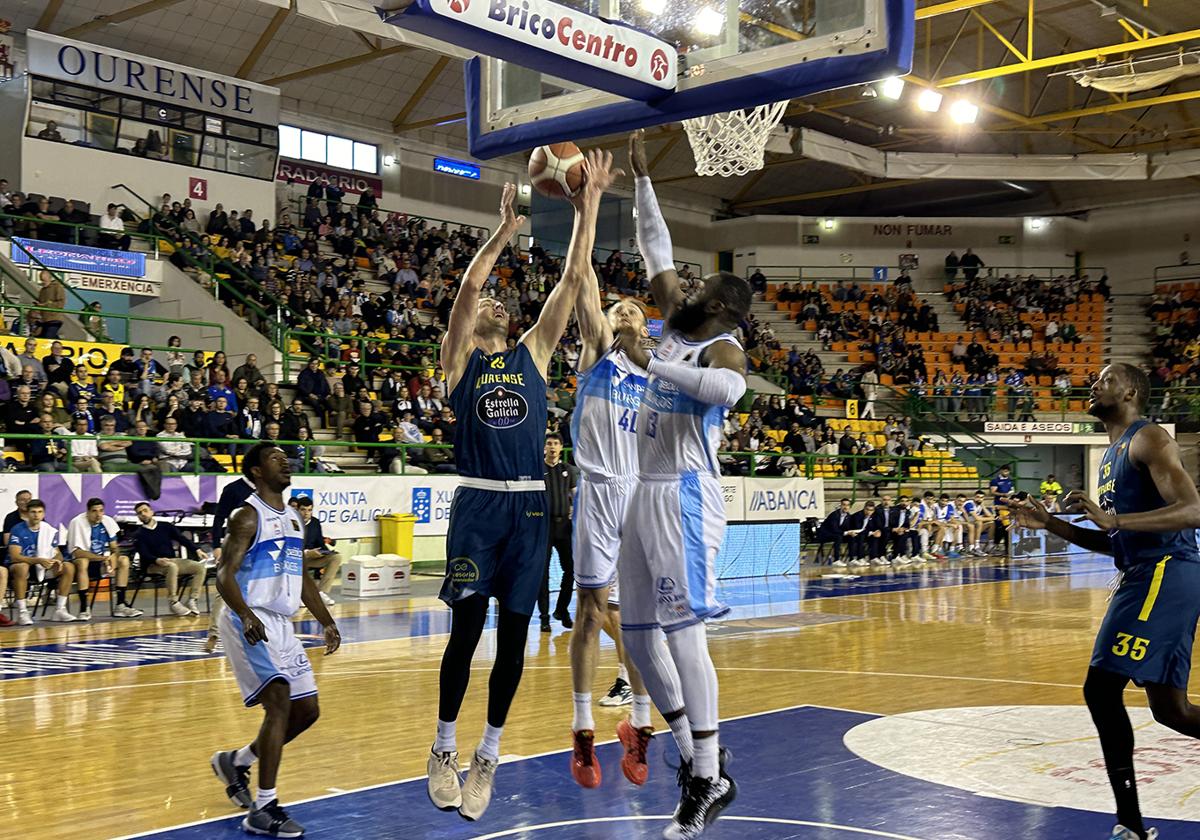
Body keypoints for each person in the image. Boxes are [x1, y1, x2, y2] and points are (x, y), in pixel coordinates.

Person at [426, 166, 612, 820]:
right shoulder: (459, 362)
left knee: (512, 638)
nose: (496, 301)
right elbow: (470, 285)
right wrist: (504, 228)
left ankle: (488, 755)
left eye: (502, 302)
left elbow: (570, 281)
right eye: (488, 304)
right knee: (466, 628)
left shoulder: (533, 353)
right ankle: (443, 745)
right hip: (478, 505)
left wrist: (586, 207)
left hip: (529, 508)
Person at [608, 130, 746, 839]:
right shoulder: (673, 313)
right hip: (643, 489)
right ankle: (694, 753)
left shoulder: (720, 345)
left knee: (685, 632)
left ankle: (709, 771)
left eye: (706, 291)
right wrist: (641, 178)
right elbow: (655, 245)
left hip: (688, 495)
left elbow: (726, 392)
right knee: (635, 633)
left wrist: (649, 365)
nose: (690, 289)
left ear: (725, 310)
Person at [1011, 363, 1200, 840]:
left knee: (1100, 689)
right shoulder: (1112, 454)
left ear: (1131, 390)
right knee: (1172, 712)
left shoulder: (1149, 438)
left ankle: (1130, 826)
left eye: (1106, 379)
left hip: (1165, 572)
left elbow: (1194, 511)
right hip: (1147, 572)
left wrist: (1116, 523)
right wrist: (1051, 524)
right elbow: (1116, 545)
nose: (1094, 385)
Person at [563, 222, 658, 788]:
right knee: (591, 612)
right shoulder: (599, 352)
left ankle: (640, 728)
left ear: (646, 326)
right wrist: (586, 207)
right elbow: (585, 287)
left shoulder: (656, 375)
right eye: (615, 309)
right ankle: (581, 731)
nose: (620, 314)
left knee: (640, 623)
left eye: (631, 311)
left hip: (642, 495)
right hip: (600, 490)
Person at [209, 443, 340, 838]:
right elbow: (223, 574)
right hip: (246, 617)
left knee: (307, 711)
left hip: (280, 622)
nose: (285, 461)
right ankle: (263, 808)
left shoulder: (296, 522)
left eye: (286, 456)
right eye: (274, 458)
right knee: (280, 700)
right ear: (256, 472)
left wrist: (327, 621)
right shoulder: (247, 516)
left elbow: (300, 578)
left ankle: (238, 761)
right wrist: (246, 614)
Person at [203, 472, 258, 653]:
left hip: (261, 547)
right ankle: (214, 634)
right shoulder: (233, 489)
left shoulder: (269, 488)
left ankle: (256, 633)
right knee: (225, 589)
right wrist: (216, 545)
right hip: (235, 546)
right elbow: (219, 518)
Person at [66, 498, 143, 619]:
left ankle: (121, 605)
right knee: (82, 562)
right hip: (83, 563)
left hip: (101, 562)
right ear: (88, 511)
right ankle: (84, 608)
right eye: (94, 511)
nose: (98, 515)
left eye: (101, 511)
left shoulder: (107, 521)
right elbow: (77, 553)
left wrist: (113, 556)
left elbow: (114, 547)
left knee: (123, 560)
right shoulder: (77, 522)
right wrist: (102, 558)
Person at [131, 502, 212, 617]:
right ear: (138, 517)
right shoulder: (138, 534)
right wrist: (157, 560)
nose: (143, 514)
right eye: (139, 513)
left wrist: (197, 550)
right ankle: (173, 601)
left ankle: (192, 600)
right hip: (151, 564)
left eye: (145, 511)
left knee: (199, 567)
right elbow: (144, 554)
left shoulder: (165, 526)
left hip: (171, 559)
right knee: (171, 567)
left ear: (151, 512)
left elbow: (181, 539)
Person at [7, 498, 77, 624]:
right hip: (21, 567)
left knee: (68, 567)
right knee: (22, 567)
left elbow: (58, 553)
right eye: (33, 512)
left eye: (39, 512)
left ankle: (60, 609)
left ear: (43, 514)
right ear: (27, 514)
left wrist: (56, 561)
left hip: (43, 567)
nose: (36, 515)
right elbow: (14, 556)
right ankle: (23, 612)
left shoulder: (48, 530)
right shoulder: (17, 529)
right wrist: (38, 560)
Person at [539, 434, 577, 633]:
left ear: (561, 448)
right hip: (544, 528)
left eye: (555, 444)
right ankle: (544, 617)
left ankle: (561, 610)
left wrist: (576, 514)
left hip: (564, 528)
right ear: (544, 447)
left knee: (570, 570)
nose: (552, 447)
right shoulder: (538, 469)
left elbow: (575, 495)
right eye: (549, 443)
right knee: (542, 574)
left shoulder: (568, 470)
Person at [295, 496, 341, 606]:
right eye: (303, 510)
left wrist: (326, 552)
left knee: (336, 558)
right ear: (297, 510)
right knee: (299, 559)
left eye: (309, 510)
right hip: (296, 556)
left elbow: (320, 542)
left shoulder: (315, 522)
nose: (306, 513)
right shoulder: (292, 523)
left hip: (313, 556)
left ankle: (321, 592)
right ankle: (299, 595)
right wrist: (306, 553)